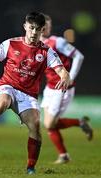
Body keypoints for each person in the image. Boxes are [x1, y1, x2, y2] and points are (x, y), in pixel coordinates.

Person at [0, 12, 70, 174]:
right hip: (8, 86)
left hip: (28, 95)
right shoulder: (10, 44)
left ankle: (30, 168)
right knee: (2, 103)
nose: (34, 32)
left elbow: (61, 70)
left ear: (43, 30)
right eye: (31, 28)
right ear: (25, 26)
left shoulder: (46, 51)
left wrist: (65, 76)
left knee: (35, 126)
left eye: (38, 29)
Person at [40, 14, 93, 164]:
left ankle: (78, 123)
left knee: (49, 124)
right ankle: (63, 155)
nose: (47, 28)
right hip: (49, 87)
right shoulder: (36, 44)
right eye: (45, 26)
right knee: (50, 124)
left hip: (62, 88)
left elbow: (79, 56)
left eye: (49, 26)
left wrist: (71, 77)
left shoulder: (58, 42)